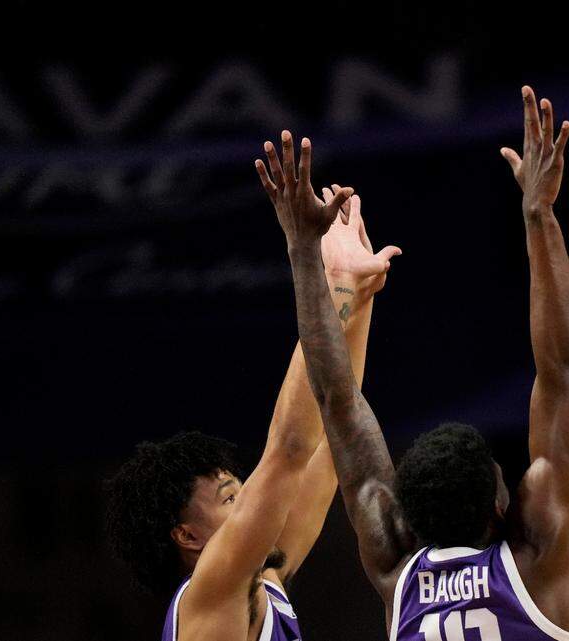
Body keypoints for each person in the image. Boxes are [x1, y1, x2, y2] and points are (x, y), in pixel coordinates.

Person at [255, 85, 569, 640]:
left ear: (402, 514)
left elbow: (338, 401)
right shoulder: (536, 559)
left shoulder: (396, 569)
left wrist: (302, 252)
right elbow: (563, 369)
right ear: (500, 504)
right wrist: (539, 214)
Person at [104, 181, 398, 641]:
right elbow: (289, 449)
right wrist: (328, 280)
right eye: (229, 499)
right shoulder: (210, 595)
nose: (253, 502)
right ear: (188, 536)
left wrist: (357, 299)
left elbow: (333, 433)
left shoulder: (266, 579)